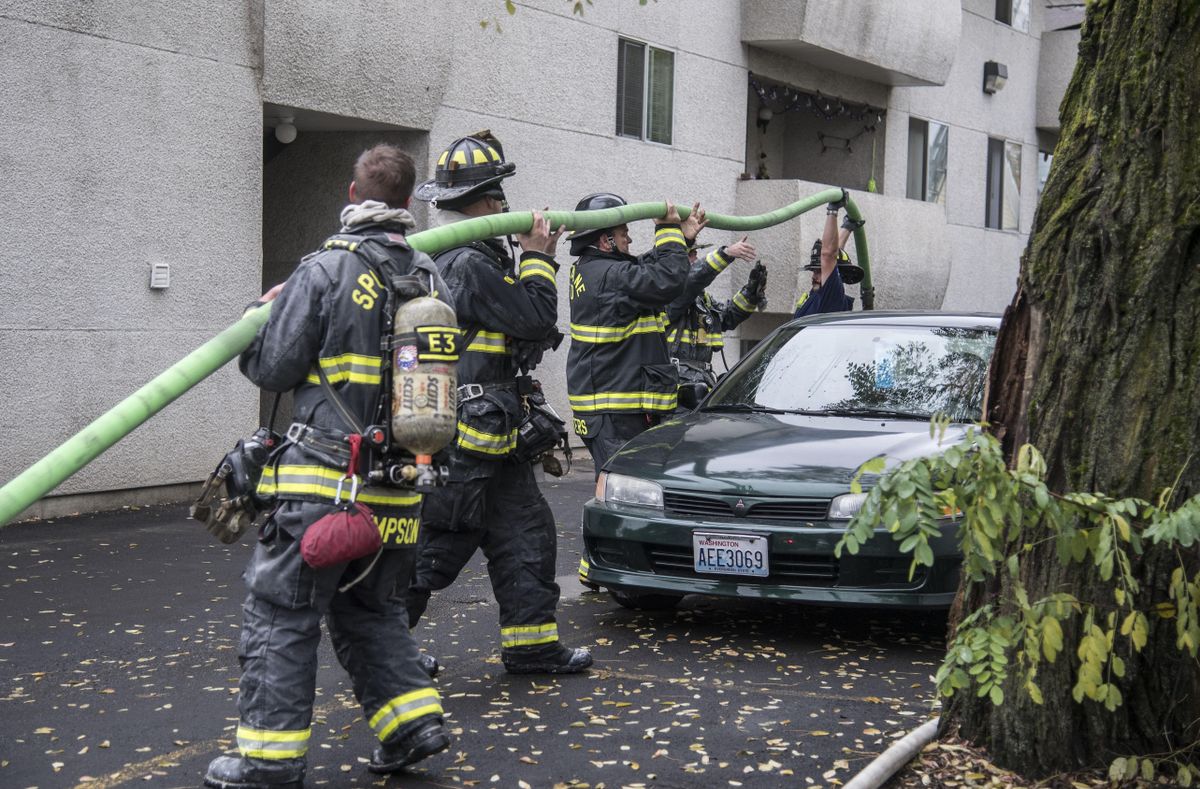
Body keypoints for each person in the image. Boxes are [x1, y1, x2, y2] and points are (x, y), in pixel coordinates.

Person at [204, 144, 453, 789]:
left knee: (281, 613)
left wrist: (262, 318)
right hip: (401, 490)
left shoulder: (325, 270)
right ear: (407, 202)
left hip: (325, 490)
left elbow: (274, 369)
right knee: (373, 610)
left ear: (352, 193)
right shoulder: (431, 277)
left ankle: (269, 760)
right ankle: (412, 727)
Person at [404, 133, 593, 675]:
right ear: (486, 202)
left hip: (498, 438)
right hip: (465, 441)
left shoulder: (464, 256)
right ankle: (384, 650)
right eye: (499, 196)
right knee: (437, 544)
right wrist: (538, 258)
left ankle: (531, 645)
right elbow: (533, 318)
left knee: (526, 539)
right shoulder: (465, 261)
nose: (506, 206)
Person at [565, 194, 707, 476]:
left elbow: (643, 269)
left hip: (612, 412)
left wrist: (682, 239)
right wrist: (667, 231)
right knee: (626, 491)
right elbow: (666, 279)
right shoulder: (611, 276)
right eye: (623, 233)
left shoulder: (596, 270)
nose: (628, 240)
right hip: (615, 415)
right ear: (605, 240)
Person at [666, 237, 765, 405]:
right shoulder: (669, 292)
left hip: (699, 386)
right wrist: (726, 253)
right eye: (691, 254)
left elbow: (727, 317)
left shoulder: (701, 299)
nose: (696, 259)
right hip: (675, 393)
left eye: (696, 254)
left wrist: (750, 294)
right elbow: (692, 280)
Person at [793, 191, 865, 318]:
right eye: (814, 271)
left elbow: (829, 255)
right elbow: (835, 253)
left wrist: (832, 211)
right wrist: (847, 227)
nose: (814, 276)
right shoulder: (819, 291)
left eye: (820, 271)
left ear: (837, 276)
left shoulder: (832, 297)